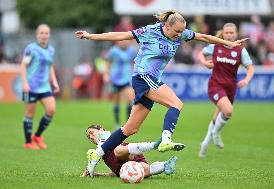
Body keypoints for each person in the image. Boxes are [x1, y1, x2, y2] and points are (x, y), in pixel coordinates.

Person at [75, 10, 248, 173]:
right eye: (177, 31)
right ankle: (166, 139)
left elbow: (203, 37)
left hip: (150, 79)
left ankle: (97, 154)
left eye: (182, 32)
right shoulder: (150, 31)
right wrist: (91, 36)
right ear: (166, 26)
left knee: (130, 128)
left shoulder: (181, 34)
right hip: (143, 76)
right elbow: (121, 35)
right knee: (176, 103)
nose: (179, 35)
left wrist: (228, 43)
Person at [198, 23, 254, 158]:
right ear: (222, 34)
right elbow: (201, 53)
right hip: (215, 85)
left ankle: (205, 144)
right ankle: (216, 134)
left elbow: (250, 68)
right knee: (228, 111)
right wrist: (205, 63)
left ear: (236, 34)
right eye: (227, 32)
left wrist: (246, 80)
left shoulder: (241, 51)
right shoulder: (216, 46)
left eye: (232, 33)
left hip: (230, 88)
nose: (229, 35)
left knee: (219, 114)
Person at [81, 124, 177, 178]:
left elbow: (102, 144)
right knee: (145, 171)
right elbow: (115, 173)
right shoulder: (102, 153)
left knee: (117, 151)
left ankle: (153, 145)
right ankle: (165, 165)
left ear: (101, 129)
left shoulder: (105, 135)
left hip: (127, 153)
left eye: (91, 132)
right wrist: (98, 174)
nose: (90, 136)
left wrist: (91, 166)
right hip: (125, 166)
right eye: (89, 137)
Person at [21, 24, 60, 149]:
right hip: (31, 86)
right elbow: (23, 66)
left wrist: (54, 81)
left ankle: (37, 136)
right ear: (37, 34)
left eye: (46, 33)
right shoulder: (31, 48)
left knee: (51, 109)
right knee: (30, 114)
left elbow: (50, 67)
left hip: (45, 87)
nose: (44, 35)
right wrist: (25, 83)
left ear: (49, 35)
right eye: (41, 33)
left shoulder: (51, 50)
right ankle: (28, 142)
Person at [104, 40, 136, 128]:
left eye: (126, 41)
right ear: (118, 42)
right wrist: (106, 74)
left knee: (131, 99)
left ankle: (128, 123)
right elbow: (108, 62)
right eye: (122, 41)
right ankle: (117, 122)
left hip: (127, 78)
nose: (124, 43)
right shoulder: (113, 50)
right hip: (115, 79)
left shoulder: (132, 50)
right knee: (116, 101)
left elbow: (135, 61)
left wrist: (135, 72)